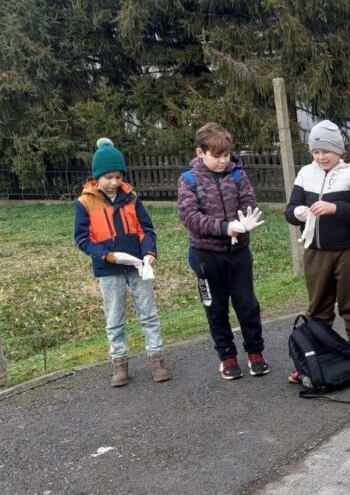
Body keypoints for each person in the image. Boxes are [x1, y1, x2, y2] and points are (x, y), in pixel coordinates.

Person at [74, 137, 171, 387]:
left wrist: (149, 253)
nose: (114, 182)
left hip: (137, 266)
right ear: (97, 177)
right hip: (108, 270)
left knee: (148, 313)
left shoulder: (132, 198)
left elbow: (146, 229)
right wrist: (106, 255)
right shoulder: (85, 202)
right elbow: (83, 239)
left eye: (118, 176)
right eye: (108, 177)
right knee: (114, 319)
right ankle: (119, 363)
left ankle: (157, 358)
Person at [284, 120, 350, 384]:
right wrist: (298, 213)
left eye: (327, 151)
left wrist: (335, 209)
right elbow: (291, 210)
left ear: (339, 151)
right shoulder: (305, 173)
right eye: (316, 151)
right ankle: (318, 358)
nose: (321, 156)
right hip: (316, 252)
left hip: (349, 252)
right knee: (318, 308)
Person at [177, 122, 269, 381]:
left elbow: (249, 202)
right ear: (200, 153)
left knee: (247, 304)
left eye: (226, 155)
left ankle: (256, 353)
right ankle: (227, 357)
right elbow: (190, 217)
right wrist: (224, 227)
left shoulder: (238, 174)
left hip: (239, 253)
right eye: (216, 156)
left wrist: (245, 221)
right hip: (206, 255)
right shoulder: (189, 180)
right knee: (216, 308)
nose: (222, 161)